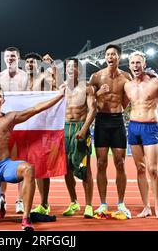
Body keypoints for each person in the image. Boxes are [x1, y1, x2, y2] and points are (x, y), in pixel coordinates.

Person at [0, 86, 65, 231]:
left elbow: (35, 109)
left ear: (3, 101)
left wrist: (59, 96)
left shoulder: (10, 118)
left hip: (4, 165)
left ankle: (26, 218)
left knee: (28, 169)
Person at [124, 51, 158, 219]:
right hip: (133, 127)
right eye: (133, 63)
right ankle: (146, 207)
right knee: (140, 168)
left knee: (152, 169)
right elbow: (121, 105)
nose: (135, 66)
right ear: (129, 65)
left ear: (144, 65)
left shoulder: (155, 82)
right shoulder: (127, 86)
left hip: (150, 127)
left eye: (138, 63)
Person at [88, 44, 132, 218]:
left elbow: (127, 100)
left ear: (119, 57)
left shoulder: (126, 77)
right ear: (105, 57)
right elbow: (88, 98)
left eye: (113, 54)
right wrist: (98, 93)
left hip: (118, 120)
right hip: (101, 121)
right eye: (108, 54)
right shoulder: (96, 76)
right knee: (100, 163)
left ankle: (121, 203)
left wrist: (120, 108)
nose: (110, 57)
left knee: (120, 163)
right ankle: (103, 203)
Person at [0, 47, 28, 214]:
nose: (10, 58)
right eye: (7, 56)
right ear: (3, 58)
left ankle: (20, 200)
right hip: (2, 125)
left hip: (20, 125)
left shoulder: (25, 76)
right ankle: (1, 196)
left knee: (20, 161)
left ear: (18, 58)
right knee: (1, 161)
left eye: (13, 56)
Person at [61, 58, 95, 218]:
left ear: (79, 70)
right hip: (64, 128)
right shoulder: (61, 89)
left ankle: (89, 205)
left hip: (80, 127)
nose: (70, 69)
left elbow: (92, 110)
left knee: (85, 167)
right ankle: (73, 202)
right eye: (68, 66)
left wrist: (84, 129)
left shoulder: (87, 88)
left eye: (73, 67)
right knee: (66, 168)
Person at [23, 52, 56, 215]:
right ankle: (25, 202)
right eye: (27, 61)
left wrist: (53, 68)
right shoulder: (22, 81)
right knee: (28, 167)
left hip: (41, 127)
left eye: (33, 62)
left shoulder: (44, 76)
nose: (29, 64)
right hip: (25, 127)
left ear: (38, 64)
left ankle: (44, 203)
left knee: (41, 166)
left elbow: (55, 88)